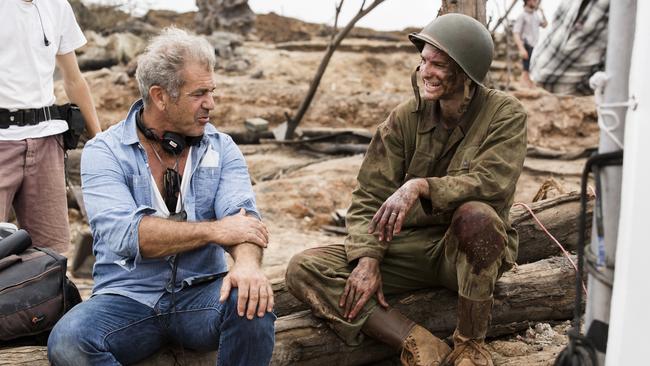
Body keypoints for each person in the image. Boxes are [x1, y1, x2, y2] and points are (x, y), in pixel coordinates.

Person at [286, 13, 527, 366]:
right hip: (408, 248)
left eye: (438, 64)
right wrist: (368, 260)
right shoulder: (404, 119)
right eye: (423, 61)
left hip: (462, 253)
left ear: (465, 71)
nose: (426, 72)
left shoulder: (505, 114)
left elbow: (492, 182)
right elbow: (370, 193)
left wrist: (421, 186)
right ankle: (418, 342)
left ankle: (470, 345)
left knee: (477, 217)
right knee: (303, 268)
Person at [47, 27, 276, 365]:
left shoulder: (223, 147)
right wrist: (215, 230)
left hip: (202, 294)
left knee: (251, 300)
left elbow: (244, 220)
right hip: (126, 300)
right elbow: (126, 236)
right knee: (69, 343)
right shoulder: (104, 152)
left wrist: (245, 265)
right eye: (199, 94)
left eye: (211, 91)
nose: (210, 104)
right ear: (159, 96)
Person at [0, 0, 101, 254]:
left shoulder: (57, 6)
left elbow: (74, 79)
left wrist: (99, 139)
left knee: (53, 253)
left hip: (47, 142)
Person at [513, 0, 548, 89]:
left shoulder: (536, 15)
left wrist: (542, 12)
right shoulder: (522, 16)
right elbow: (516, 33)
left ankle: (529, 87)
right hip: (526, 45)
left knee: (531, 70)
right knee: (526, 70)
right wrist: (521, 48)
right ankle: (525, 89)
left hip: (535, 46)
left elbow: (545, 25)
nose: (536, 1)